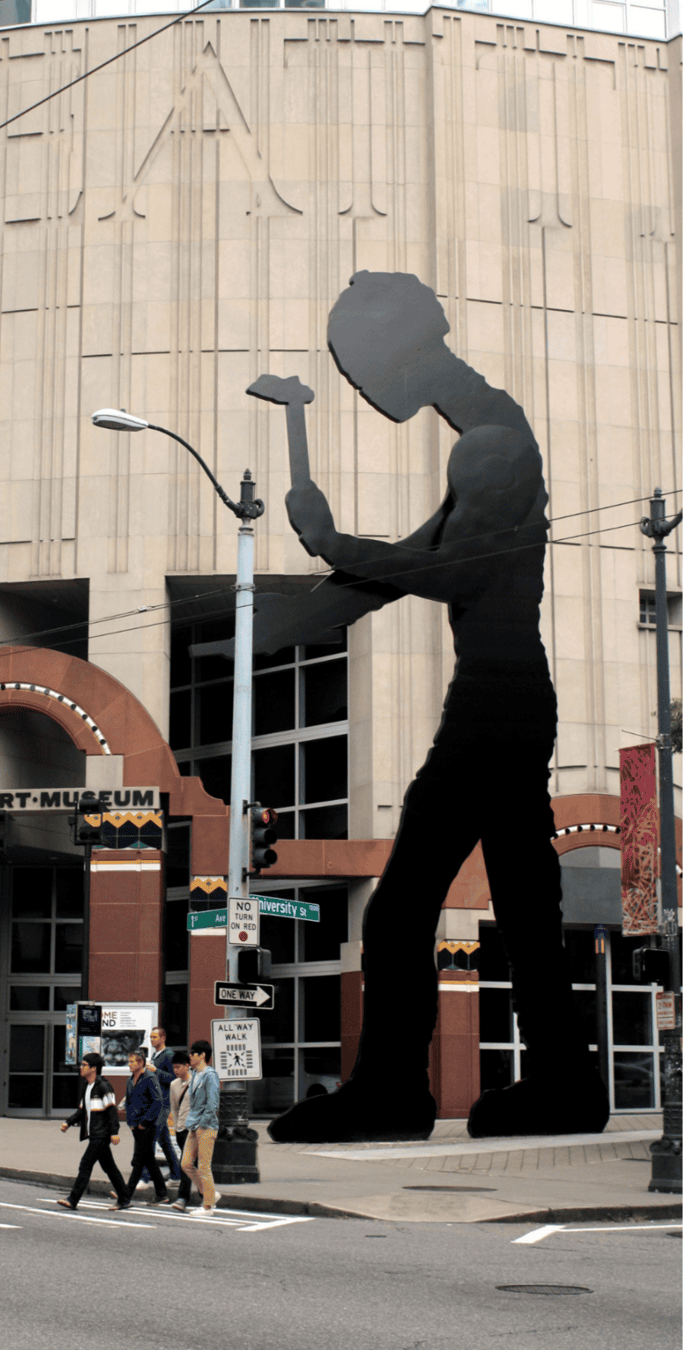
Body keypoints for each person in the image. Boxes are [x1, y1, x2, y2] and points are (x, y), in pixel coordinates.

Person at [262, 270, 609, 1144]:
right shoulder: (490, 437)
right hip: (513, 695)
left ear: (403, 349)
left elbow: (452, 573)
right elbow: (406, 563)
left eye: (360, 367)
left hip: (493, 700)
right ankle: (564, 1084)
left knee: (403, 903)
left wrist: (330, 540)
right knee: (526, 902)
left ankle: (391, 1092)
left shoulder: (490, 445)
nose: (361, 388)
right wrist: (280, 624)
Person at [59, 1053, 128, 1210]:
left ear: (93, 1068)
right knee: (109, 1167)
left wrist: (114, 1132)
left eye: (84, 1065)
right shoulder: (87, 1087)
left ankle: (73, 1199)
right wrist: (68, 1122)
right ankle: (124, 1197)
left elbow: (112, 1112)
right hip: (95, 1134)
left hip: (101, 1135)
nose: (80, 1068)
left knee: (85, 1164)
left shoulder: (104, 1087)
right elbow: (82, 1111)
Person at [119, 1050, 170, 1208]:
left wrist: (145, 1122)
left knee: (139, 1161)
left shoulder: (150, 1078)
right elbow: (129, 1102)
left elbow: (157, 1102)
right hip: (136, 1126)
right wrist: (131, 1122)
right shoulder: (129, 1080)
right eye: (129, 1061)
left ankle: (125, 1195)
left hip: (148, 1126)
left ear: (141, 1063)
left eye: (132, 1061)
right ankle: (162, 1194)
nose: (129, 1064)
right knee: (149, 1160)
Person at [180, 1040, 220, 1215]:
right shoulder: (195, 1074)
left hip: (206, 1126)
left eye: (193, 1053)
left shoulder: (210, 1075)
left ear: (202, 1055)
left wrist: (202, 1124)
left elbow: (213, 1104)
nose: (190, 1056)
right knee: (186, 1163)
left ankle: (208, 1206)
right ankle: (210, 1193)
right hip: (194, 1125)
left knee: (204, 1166)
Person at [149, 1026, 182, 1182]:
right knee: (164, 1141)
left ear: (163, 1038)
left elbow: (174, 1079)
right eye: (150, 1037)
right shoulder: (155, 1055)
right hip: (155, 1101)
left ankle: (143, 1176)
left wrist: (155, 1070)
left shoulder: (168, 1055)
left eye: (155, 1037)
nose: (152, 1039)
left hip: (163, 1102)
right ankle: (176, 1174)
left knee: (150, 1139)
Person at [168, 1051, 193, 1212]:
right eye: (174, 1068)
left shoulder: (197, 1082)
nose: (176, 1070)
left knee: (187, 1165)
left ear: (187, 1066)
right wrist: (177, 1127)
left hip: (195, 1131)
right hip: (181, 1130)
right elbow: (174, 1109)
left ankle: (183, 1198)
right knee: (191, 1165)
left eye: (179, 1067)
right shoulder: (174, 1085)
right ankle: (210, 1195)